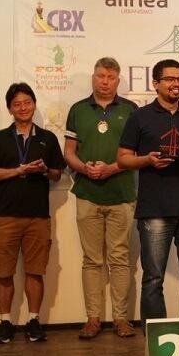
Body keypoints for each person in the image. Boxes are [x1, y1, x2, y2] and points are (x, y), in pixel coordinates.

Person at [117, 59, 179, 327]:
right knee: (153, 279)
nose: (176, 84)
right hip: (154, 209)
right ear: (156, 83)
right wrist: (147, 160)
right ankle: (156, 341)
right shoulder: (139, 116)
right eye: (170, 79)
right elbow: (123, 159)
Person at [0, 82, 66, 343]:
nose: (23, 107)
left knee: (35, 271)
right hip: (6, 217)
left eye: (27, 102)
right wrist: (18, 170)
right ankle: (5, 322)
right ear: (10, 108)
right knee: (4, 272)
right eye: (17, 104)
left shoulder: (48, 138)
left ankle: (33, 320)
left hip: (38, 218)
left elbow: (57, 173)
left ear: (34, 104)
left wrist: (43, 170)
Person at [64, 57, 138, 339]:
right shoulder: (78, 109)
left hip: (121, 193)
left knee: (120, 258)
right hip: (87, 193)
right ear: (93, 78)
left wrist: (112, 168)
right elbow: (69, 150)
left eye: (110, 77)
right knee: (92, 260)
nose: (104, 81)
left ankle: (121, 319)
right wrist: (83, 167)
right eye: (100, 76)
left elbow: (135, 155)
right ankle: (93, 318)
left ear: (117, 81)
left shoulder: (131, 110)